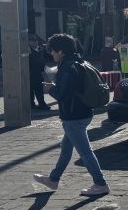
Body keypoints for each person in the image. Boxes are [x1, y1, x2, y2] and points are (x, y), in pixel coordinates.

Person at [33, 34, 110, 197]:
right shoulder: (80, 62)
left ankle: (100, 183)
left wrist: (50, 89)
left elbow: (63, 95)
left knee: (85, 152)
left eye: (52, 50)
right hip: (82, 112)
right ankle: (53, 179)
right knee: (66, 148)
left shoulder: (68, 67)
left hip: (74, 115)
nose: (51, 54)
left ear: (60, 50)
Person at [28, 35, 50, 110]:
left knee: (39, 89)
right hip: (30, 73)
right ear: (29, 42)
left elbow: (47, 57)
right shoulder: (27, 51)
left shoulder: (41, 49)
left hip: (39, 73)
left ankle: (42, 104)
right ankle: (31, 105)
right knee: (30, 91)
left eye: (36, 40)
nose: (35, 42)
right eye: (32, 40)